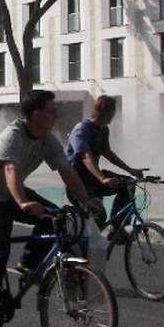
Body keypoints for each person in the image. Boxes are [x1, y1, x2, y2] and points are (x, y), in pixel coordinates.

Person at [0, 89, 103, 327]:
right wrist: (23, 203)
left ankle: (29, 264)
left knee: (57, 218)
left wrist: (86, 200)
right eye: (52, 111)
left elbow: (67, 171)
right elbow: (10, 170)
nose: (56, 114)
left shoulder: (46, 139)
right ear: (36, 114)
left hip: (16, 193)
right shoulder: (13, 136)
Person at [65, 95, 147, 234]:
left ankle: (117, 226)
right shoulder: (82, 129)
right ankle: (84, 245)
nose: (113, 116)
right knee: (99, 216)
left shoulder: (103, 130)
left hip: (94, 178)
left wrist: (130, 170)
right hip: (79, 182)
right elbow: (86, 157)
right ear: (109, 112)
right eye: (113, 113)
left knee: (128, 184)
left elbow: (107, 152)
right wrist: (103, 178)